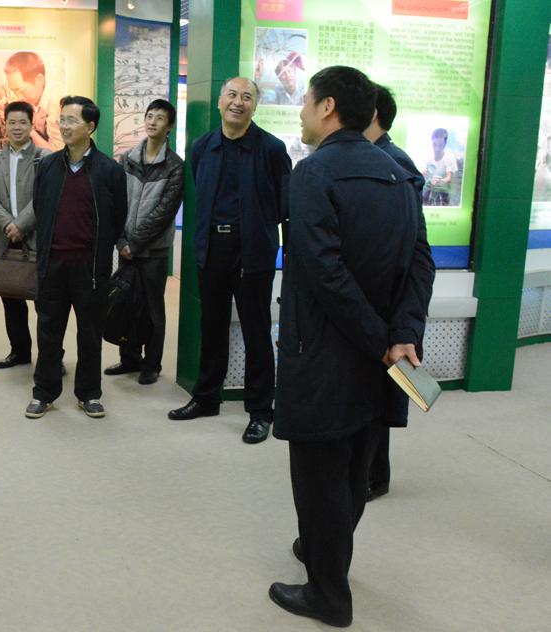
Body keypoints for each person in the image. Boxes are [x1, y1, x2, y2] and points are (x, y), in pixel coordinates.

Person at [269, 66, 435, 627]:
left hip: (322, 352)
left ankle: (328, 596)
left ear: (328, 107)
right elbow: (420, 263)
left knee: (318, 476)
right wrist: (401, 335)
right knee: (354, 470)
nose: (301, 111)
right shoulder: (400, 173)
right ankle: (324, 553)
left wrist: (380, 341)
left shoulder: (314, 172)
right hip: (380, 358)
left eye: (305, 100)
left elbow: (325, 272)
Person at [167, 77, 291, 445]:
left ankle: (261, 411)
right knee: (212, 327)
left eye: (247, 97)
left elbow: (285, 204)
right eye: (232, 95)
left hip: (253, 251)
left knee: (256, 331)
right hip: (212, 248)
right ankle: (207, 398)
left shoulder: (272, 148)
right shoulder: (203, 146)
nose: (238, 102)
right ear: (220, 102)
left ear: (255, 106)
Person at [26, 96, 128, 419]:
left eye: (72, 120)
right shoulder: (47, 167)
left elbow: (118, 217)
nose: (64, 126)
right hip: (53, 264)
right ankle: (44, 392)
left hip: (91, 268)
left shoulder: (110, 170)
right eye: (63, 119)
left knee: (90, 334)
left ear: (90, 126)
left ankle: (89, 393)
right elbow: (40, 209)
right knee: (48, 332)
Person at [362, 83, 425, 503]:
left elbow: (413, 247)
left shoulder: (393, 162)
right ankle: (371, 472)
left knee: (377, 392)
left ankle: (374, 476)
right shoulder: (376, 156)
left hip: (386, 300)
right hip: (378, 298)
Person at [105, 98, 184, 385]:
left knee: (152, 309)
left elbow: (164, 212)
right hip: (126, 246)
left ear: (169, 126)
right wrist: (121, 240)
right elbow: (115, 200)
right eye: (150, 116)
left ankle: (152, 364)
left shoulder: (175, 166)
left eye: (160, 118)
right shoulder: (127, 158)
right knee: (125, 301)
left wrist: (134, 243)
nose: (152, 121)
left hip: (153, 251)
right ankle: (129, 358)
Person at [0, 101, 50, 369]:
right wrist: (8, 224)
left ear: (31, 124)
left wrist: (21, 224)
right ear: (5, 125)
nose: (17, 127)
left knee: (45, 304)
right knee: (11, 298)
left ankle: (50, 357)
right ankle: (19, 352)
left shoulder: (44, 158)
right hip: (5, 238)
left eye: (22, 122)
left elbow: (44, 195)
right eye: (12, 122)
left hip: (36, 238)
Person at [4, 52, 63, 151]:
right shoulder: (37, 94)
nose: (18, 98)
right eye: (14, 91)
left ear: (39, 80)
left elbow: (57, 153)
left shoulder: (56, 102)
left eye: (20, 90)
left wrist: (29, 130)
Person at [422, 127, 457, 206]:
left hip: (443, 191)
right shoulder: (427, 157)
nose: (437, 148)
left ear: (445, 144)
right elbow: (423, 173)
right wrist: (429, 180)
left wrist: (439, 181)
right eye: (435, 145)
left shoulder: (449, 157)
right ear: (432, 142)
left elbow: (449, 178)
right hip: (429, 190)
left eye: (440, 145)